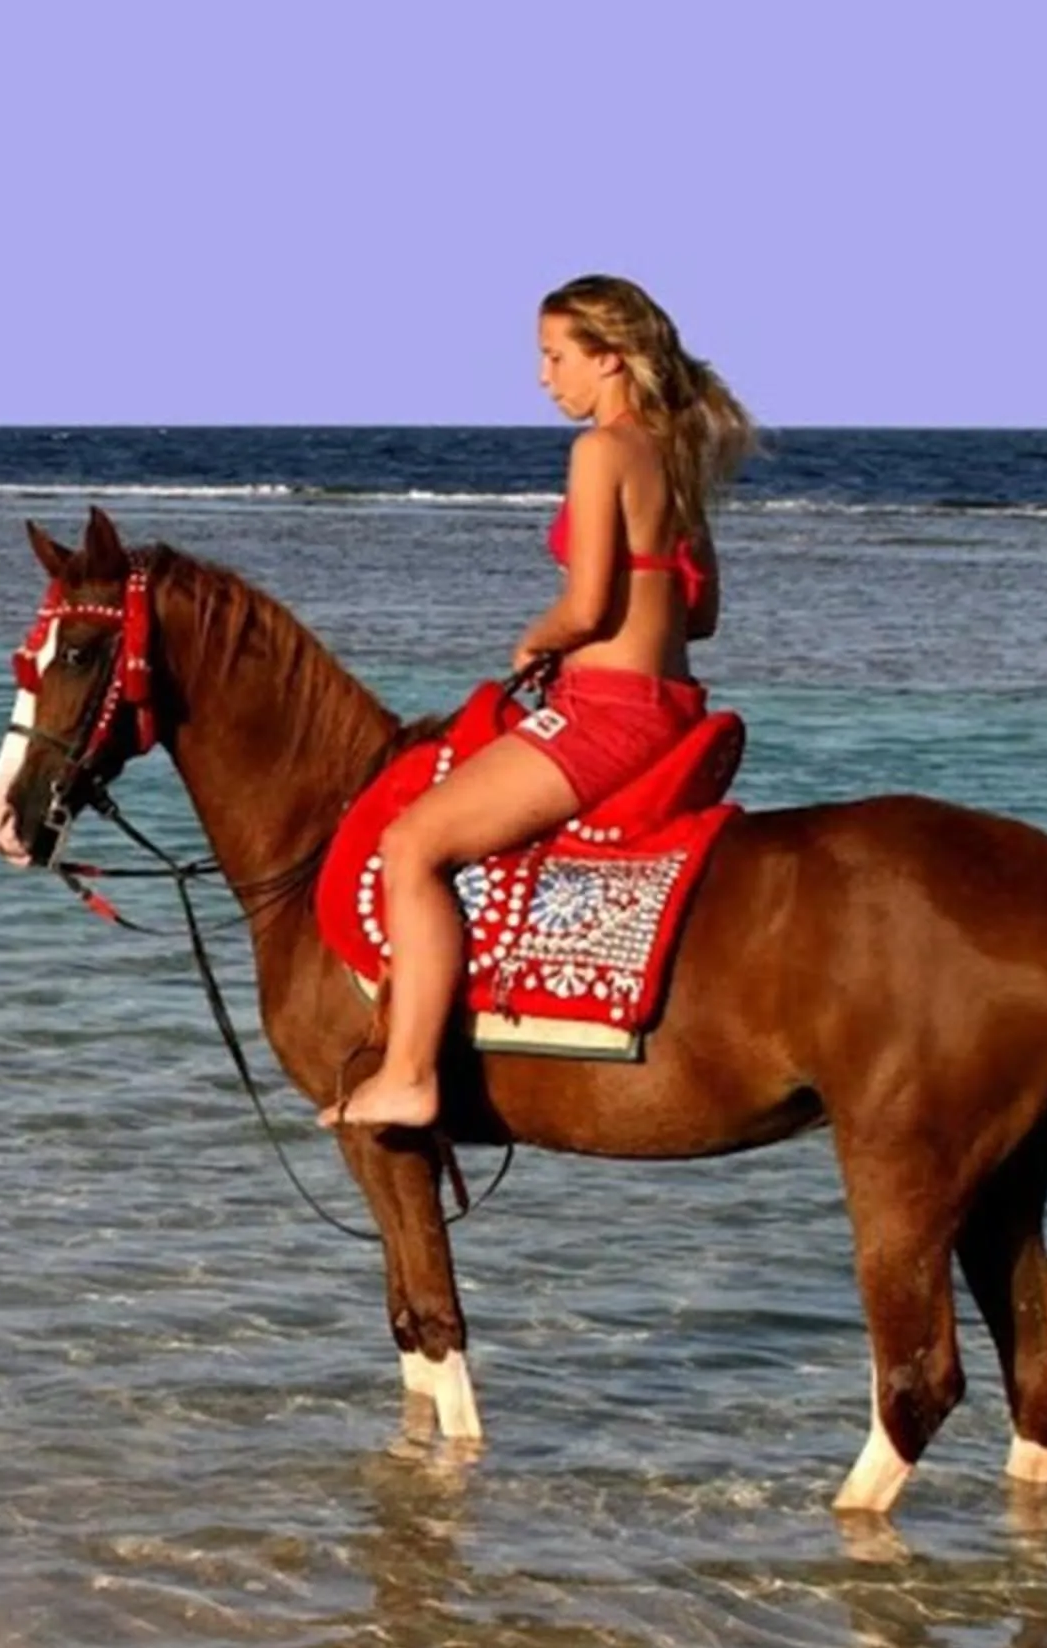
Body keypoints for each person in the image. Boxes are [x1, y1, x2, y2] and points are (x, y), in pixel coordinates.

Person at [323, 275, 756, 1131]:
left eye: (556, 356)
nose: (544, 377)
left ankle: (409, 1072)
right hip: (670, 704)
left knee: (412, 844)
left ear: (609, 358)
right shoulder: (676, 453)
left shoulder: (601, 453)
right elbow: (700, 614)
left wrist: (540, 637)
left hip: (607, 710)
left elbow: (589, 604)